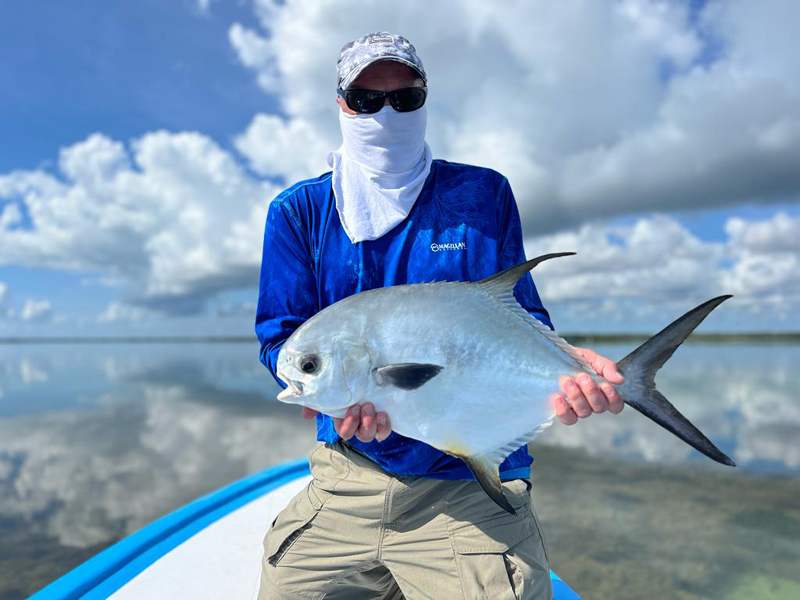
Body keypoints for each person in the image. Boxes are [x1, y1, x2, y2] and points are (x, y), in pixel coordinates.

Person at [255, 32, 624, 600]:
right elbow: (280, 339)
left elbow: (515, 311)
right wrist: (323, 389)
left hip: (470, 484)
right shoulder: (300, 212)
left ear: (425, 100)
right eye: (366, 99)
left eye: (404, 99)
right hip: (347, 473)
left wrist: (567, 364)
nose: (385, 114)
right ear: (341, 105)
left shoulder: (481, 194)